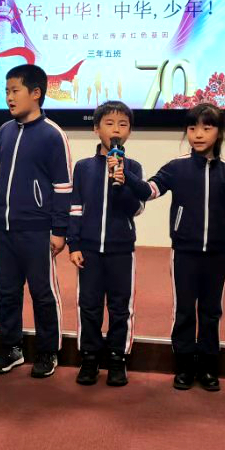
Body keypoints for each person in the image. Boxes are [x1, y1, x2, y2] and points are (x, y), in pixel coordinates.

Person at [125, 103, 225, 391]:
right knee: (184, 310)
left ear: (219, 132)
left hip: (216, 254)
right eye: (192, 128)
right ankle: (184, 365)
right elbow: (149, 190)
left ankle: (208, 366)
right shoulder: (176, 168)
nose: (198, 134)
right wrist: (126, 176)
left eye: (206, 128)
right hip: (184, 253)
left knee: (211, 311)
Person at [0, 64, 72, 378]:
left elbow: (63, 187)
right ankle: (11, 347)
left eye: (15, 91)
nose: (9, 97)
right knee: (7, 292)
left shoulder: (53, 135)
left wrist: (59, 230)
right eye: (6, 91)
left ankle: (48, 350)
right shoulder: (4, 132)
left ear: (36, 93)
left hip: (38, 230)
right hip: (4, 228)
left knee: (42, 292)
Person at [67, 101, 145, 386]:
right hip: (88, 249)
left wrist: (123, 182)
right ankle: (89, 357)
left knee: (120, 306)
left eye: (123, 125)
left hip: (121, 249)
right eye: (109, 124)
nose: (116, 130)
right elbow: (75, 207)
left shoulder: (133, 167)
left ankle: (116, 358)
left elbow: (137, 208)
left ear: (129, 132)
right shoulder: (83, 167)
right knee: (88, 305)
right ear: (96, 129)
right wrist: (74, 244)